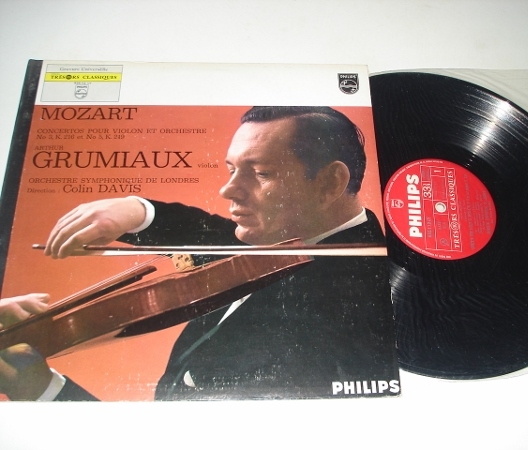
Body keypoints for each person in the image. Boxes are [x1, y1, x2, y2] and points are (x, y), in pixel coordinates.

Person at [0, 106, 397, 400]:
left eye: (261, 173)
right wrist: (137, 210)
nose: (228, 190)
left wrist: (45, 391)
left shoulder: (349, 318)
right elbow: (223, 238)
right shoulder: (296, 237)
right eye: (231, 169)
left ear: (329, 183)